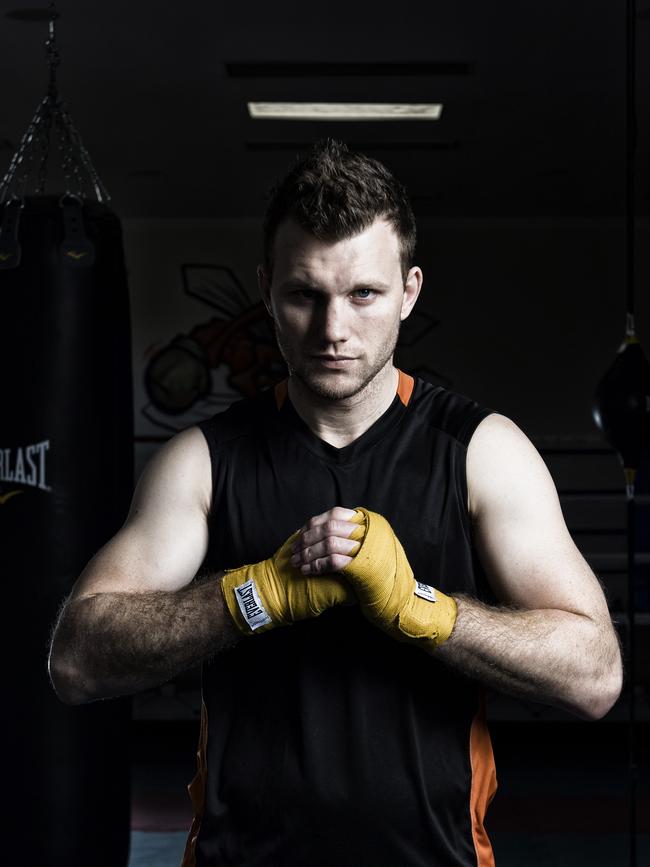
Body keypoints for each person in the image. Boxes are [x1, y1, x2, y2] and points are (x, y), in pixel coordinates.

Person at [48, 139, 623, 867]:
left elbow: (597, 674)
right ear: (266, 288)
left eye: (363, 294)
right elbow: (75, 658)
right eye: (304, 294)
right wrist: (253, 595)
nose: (332, 330)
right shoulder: (204, 461)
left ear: (409, 291)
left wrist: (420, 608)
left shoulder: (481, 451)